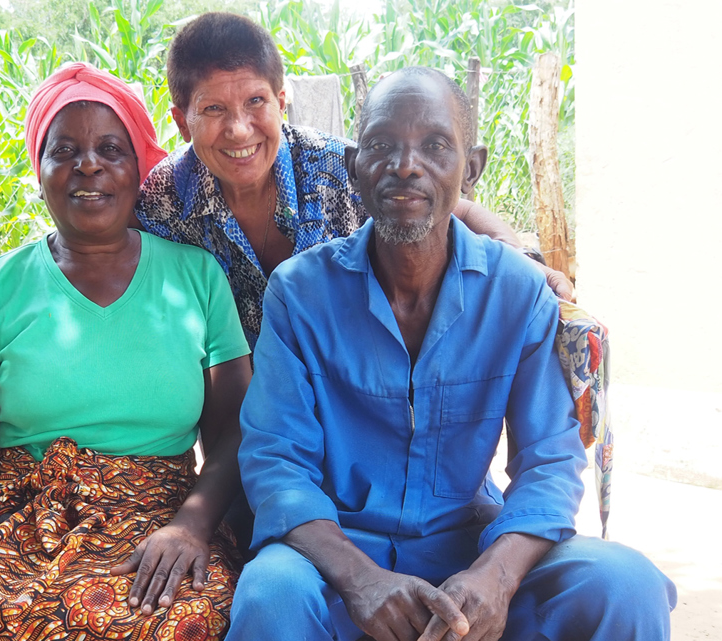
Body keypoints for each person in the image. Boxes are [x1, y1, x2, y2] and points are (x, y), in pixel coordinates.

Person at [230, 67, 676, 641]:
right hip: (338, 563)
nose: (406, 165)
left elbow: (550, 461)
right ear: (353, 167)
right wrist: (362, 581)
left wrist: (497, 576)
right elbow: (275, 461)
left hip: (471, 555)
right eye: (382, 146)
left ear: (472, 169)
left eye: (436, 146)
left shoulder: (516, 294)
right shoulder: (300, 294)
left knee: (625, 584)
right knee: (271, 595)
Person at [0, 63, 252, 641]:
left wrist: (192, 526)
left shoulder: (195, 278)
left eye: (109, 148)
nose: (88, 164)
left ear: (137, 167)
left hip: (159, 515)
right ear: (40, 170)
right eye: (64, 149)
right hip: (17, 517)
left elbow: (235, 432)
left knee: (179, 622)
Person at [137, 12, 572, 350]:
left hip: (348, 405)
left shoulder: (333, 168)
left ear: (282, 101)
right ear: (181, 121)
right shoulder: (163, 200)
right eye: (213, 109)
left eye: (255, 101)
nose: (239, 129)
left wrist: (521, 261)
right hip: (235, 421)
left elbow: (453, 207)